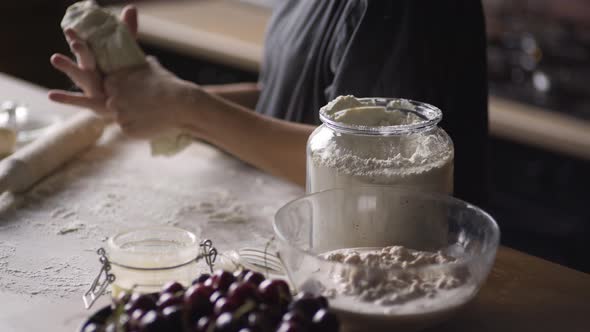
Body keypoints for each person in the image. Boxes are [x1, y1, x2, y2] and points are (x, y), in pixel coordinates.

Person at [49, 1, 488, 206]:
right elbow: (289, 96)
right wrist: (156, 101)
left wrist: (187, 107)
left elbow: (373, 169)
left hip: (392, 267)